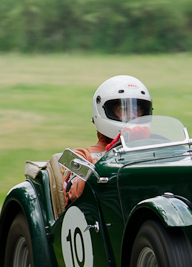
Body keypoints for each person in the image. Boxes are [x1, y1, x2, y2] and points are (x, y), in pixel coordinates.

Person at [64, 75, 152, 205]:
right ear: (104, 111)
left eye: (137, 110)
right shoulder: (78, 155)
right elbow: (74, 194)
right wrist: (114, 150)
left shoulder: (152, 150)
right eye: (123, 109)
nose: (132, 116)